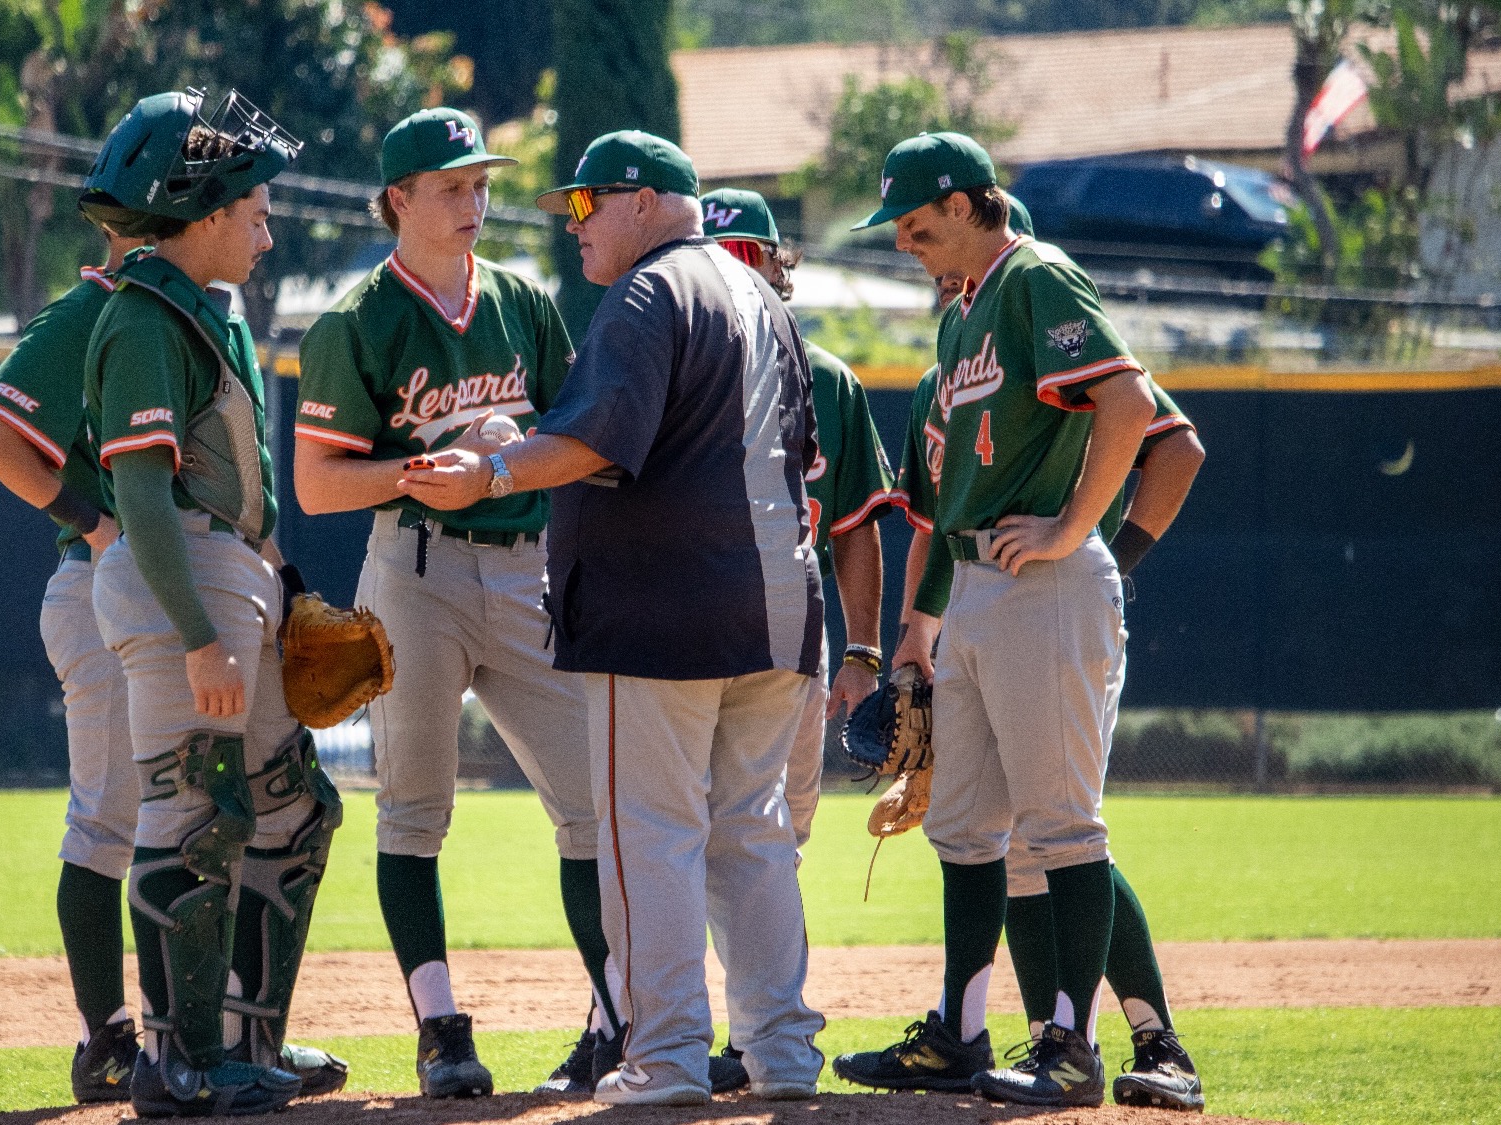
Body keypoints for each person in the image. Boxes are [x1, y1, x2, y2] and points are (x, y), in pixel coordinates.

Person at [398, 130, 827, 1107]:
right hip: (774, 610)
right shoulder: (754, 293)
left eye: (587, 204)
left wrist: (494, 467)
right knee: (750, 832)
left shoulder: (648, 294)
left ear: (640, 200)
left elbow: (597, 443)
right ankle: (782, 1056)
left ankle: (668, 1058)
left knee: (650, 833)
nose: (575, 225)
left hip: (665, 612)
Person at [292, 107, 619, 1098]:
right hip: (416, 572)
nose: (475, 201)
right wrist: (421, 468)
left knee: (594, 805)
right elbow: (315, 485)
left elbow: (574, 433)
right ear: (398, 199)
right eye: (451, 186)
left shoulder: (522, 300)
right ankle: (439, 1028)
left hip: (524, 567)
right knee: (413, 809)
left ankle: (616, 1018)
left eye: (480, 183)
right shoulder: (356, 323)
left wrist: (508, 458)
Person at [830, 132, 1157, 1109]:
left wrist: (1067, 529)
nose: (903, 241)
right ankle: (961, 1038)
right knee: (965, 829)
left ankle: (1071, 1048)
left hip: (1040, 591)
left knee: (1059, 829)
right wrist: (917, 633)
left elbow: (1129, 403)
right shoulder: (961, 317)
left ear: (971, 204)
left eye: (918, 221)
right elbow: (937, 506)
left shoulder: (1033, 278)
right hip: (972, 593)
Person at [78, 87, 344, 1118]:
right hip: (174, 582)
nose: (266, 224)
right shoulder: (143, 317)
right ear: (198, 214)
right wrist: (199, 636)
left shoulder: (202, 312)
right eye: (252, 206)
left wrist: (280, 589)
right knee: (196, 812)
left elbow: (236, 483)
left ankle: (245, 1043)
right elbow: (141, 490)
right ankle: (176, 1060)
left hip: (227, 573)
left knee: (294, 807)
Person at [695, 188, 896, 1093]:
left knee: (773, 839)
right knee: (673, 832)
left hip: (794, 642)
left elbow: (855, 525)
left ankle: (762, 1031)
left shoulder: (831, 382)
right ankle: (636, 1018)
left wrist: (862, 653)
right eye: (728, 253)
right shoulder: (674, 369)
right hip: (685, 638)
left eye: (756, 252)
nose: (748, 269)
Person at [0, 223, 141, 1104]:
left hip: (176, 594)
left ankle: (227, 1030)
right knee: (108, 822)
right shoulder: (88, 313)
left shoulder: (198, 314)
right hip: (99, 584)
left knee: (211, 816)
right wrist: (96, 522)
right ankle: (106, 1039)